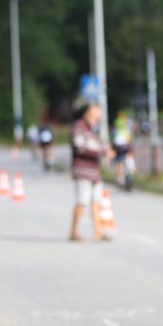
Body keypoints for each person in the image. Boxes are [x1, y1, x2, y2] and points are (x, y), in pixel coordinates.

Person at [69, 102, 114, 242]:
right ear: (86, 115)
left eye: (98, 118)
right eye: (94, 117)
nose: (96, 120)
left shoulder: (92, 131)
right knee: (82, 201)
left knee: (96, 201)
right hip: (82, 171)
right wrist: (102, 151)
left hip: (94, 172)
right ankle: (74, 232)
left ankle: (98, 232)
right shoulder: (78, 128)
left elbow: (98, 146)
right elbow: (80, 148)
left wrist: (106, 151)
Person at [112, 110, 136, 190]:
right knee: (129, 159)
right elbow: (130, 139)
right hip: (126, 147)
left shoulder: (116, 128)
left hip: (118, 148)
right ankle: (131, 171)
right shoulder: (126, 128)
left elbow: (113, 139)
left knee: (119, 163)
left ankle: (120, 180)